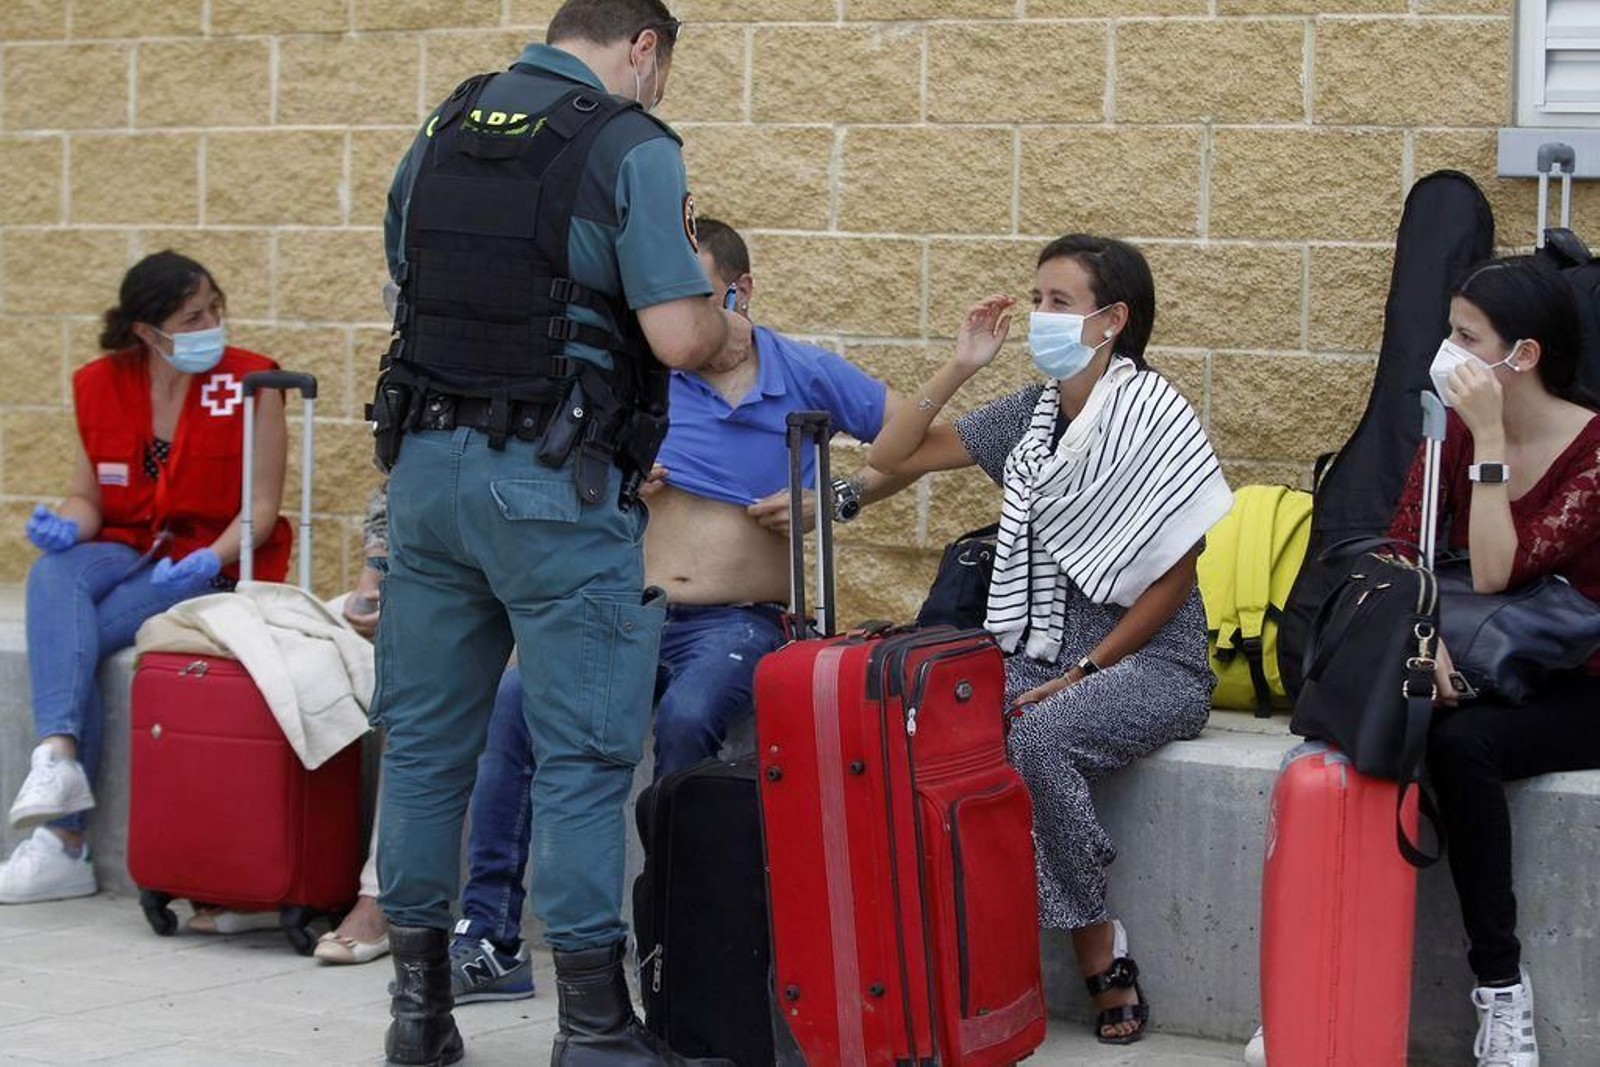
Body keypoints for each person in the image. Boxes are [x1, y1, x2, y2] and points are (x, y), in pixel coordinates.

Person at [369, 2, 745, 1063]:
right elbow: (675, 335)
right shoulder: (629, 143)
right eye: (660, 71)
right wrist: (723, 322)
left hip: (426, 474)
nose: (656, 88)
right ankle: (592, 1027)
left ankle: (418, 1016)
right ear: (642, 48)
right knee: (581, 754)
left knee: (428, 752)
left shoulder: (445, 124)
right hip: (550, 481)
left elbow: (405, 273)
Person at [442, 217, 915, 1004]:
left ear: (740, 288)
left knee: (692, 716)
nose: (673, 316)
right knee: (516, 701)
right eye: (658, 299)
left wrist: (831, 498)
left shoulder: (802, 372)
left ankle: (676, 931)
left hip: (738, 619)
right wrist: (617, 469)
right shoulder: (635, 373)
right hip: (624, 607)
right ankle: (489, 933)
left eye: (689, 295)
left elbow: (915, 440)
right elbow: (549, 476)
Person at [868, 234, 1232, 1045]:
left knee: (1040, 730)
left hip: (1148, 658)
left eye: (1058, 303)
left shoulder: (1152, 415)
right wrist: (963, 362)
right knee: (928, 718)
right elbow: (895, 455)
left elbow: (1176, 575)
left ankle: (1095, 942)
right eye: (1036, 299)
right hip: (1037, 649)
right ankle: (946, 947)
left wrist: (1083, 670)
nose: (1038, 316)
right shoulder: (1030, 417)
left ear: (1112, 320)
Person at [0, 251, 289, 906]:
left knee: (80, 637)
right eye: (194, 315)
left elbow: (262, 510)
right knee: (53, 571)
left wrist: (213, 557)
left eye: (216, 307)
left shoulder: (253, 382)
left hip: (204, 556)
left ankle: (64, 836)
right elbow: (87, 499)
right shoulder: (102, 383)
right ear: (146, 330)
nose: (212, 322)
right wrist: (64, 526)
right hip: (125, 542)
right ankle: (58, 759)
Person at [1386, 256, 1600, 1067]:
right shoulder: (1448, 430)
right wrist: (1422, 632)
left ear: (1525, 355)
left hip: (1578, 680)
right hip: (1474, 661)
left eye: (1466, 337)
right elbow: (1401, 547)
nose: (1448, 352)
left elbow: (1497, 571)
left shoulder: (1591, 453)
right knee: (1371, 722)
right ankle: (1328, 978)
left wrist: (1492, 442)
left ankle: (1502, 993)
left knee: (1460, 745)